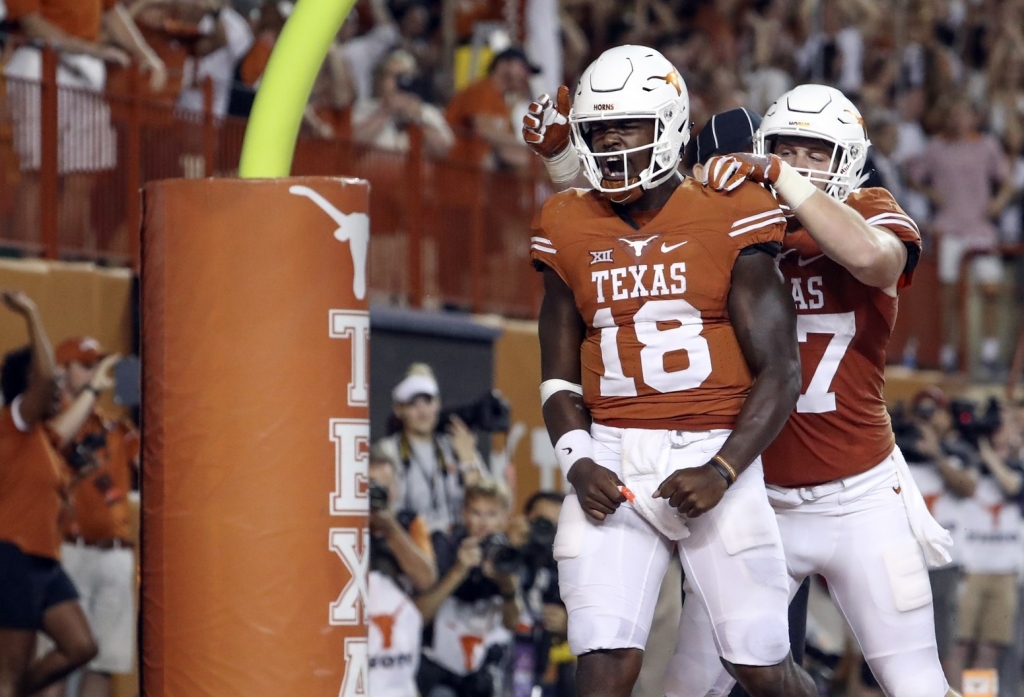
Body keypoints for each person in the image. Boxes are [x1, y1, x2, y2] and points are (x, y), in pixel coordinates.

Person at [527, 45, 814, 697]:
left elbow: (781, 371)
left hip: (716, 444)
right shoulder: (566, 220)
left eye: (627, 126)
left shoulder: (729, 207)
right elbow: (557, 375)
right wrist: (576, 459)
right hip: (614, 452)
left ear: (672, 125)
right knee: (602, 666)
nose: (611, 144)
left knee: (760, 666)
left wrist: (722, 469)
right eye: (597, 131)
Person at [675, 84, 957, 697]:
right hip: (757, 499)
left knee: (917, 685)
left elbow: (873, 258)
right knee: (688, 687)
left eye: (816, 152)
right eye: (786, 149)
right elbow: (647, 236)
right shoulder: (741, 221)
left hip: (859, 497)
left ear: (848, 161)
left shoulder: (872, 206)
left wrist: (777, 175)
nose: (800, 164)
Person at [0, 291, 98, 697]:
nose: (59, 389)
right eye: (53, 383)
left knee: (81, 646)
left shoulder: (41, 437)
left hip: (45, 560)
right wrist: (33, 313)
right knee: (9, 672)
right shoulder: (16, 422)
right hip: (15, 556)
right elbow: (43, 378)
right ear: (30, 386)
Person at [42, 337, 136, 697]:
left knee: (106, 661)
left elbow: (156, 462)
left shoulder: (112, 427)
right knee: (59, 655)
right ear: (62, 372)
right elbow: (55, 443)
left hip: (114, 552)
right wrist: (91, 394)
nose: (96, 372)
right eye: (85, 364)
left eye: (98, 364)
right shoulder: (53, 421)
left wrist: (148, 401)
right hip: (69, 550)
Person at [908, 97, 1017, 374]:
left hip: (980, 227)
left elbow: (1007, 180)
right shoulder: (936, 148)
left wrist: (999, 203)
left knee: (990, 287)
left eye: (963, 114)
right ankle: (948, 353)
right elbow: (913, 176)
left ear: (973, 117)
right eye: (953, 114)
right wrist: (932, 195)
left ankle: (990, 353)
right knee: (950, 293)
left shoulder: (987, 146)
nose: (957, 120)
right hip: (949, 227)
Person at [415, 479, 523, 697]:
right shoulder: (443, 545)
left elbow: (512, 623)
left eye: (491, 514)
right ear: (464, 514)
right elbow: (417, 616)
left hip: (487, 671)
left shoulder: (509, 555)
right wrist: (458, 570)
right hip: (439, 670)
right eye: (476, 513)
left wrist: (506, 584)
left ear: (505, 518)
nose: (483, 523)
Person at [373, 363, 486, 535]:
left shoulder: (456, 446)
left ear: (438, 404)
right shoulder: (387, 452)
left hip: (456, 545)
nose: (423, 412)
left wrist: (468, 459)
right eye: (413, 404)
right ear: (398, 409)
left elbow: (485, 506)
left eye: (428, 401)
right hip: (410, 545)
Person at [368, 453, 436, 697]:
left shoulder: (410, 523)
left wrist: (388, 527)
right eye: (368, 485)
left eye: (382, 486)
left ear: (395, 489)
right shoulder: (340, 525)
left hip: (401, 666)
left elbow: (426, 579)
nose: (374, 493)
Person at [446, 47, 536, 170]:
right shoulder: (481, 89)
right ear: (503, 65)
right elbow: (484, 131)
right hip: (456, 170)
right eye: (523, 68)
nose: (527, 77)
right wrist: (531, 147)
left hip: (477, 178)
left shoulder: (503, 104)